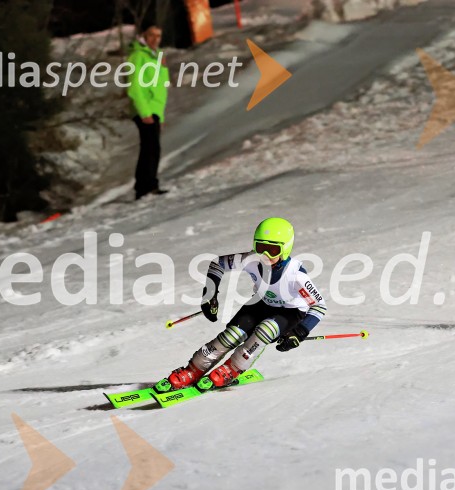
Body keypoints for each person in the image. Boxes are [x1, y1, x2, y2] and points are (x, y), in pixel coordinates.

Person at [155, 217, 328, 392]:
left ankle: (233, 368)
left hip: (290, 311)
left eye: (273, 250)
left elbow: (319, 306)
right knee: (232, 335)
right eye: (261, 248)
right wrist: (210, 295)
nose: (265, 256)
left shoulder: (296, 275)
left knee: (265, 330)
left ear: (285, 248)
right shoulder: (251, 259)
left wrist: (300, 331)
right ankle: (192, 370)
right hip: (264, 303)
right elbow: (217, 264)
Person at [127, 24, 169, 200]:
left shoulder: (155, 57)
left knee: (152, 148)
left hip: (155, 110)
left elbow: (162, 86)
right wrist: (144, 112)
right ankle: (146, 186)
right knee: (150, 148)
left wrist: (164, 67)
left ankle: (146, 185)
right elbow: (134, 86)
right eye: (151, 35)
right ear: (143, 35)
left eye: (158, 35)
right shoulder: (138, 56)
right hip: (146, 110)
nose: (155, 39)